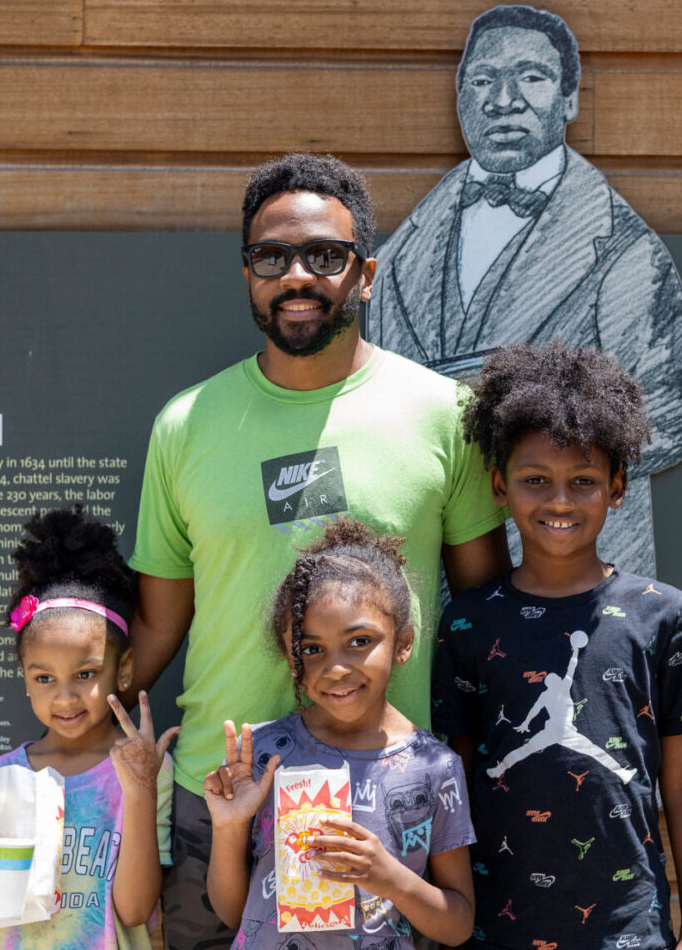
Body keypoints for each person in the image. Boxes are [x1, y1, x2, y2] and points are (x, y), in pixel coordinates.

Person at [128, 153, 508, 949]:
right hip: (222, 794)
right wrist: (69, 710)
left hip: (393, 796)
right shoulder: (184, 425)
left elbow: (483, 613)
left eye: (324, 256)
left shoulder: (444, 417)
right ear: (247, 275)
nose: (297, 274)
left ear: (364, 274)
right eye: (273, 257)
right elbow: (157, 629)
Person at [366, 4, 682, 578]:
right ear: (460, 98)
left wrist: (541, 468)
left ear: (569, 99)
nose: (503, 100)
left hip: (571, 590)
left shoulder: (624, 247)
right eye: (481, 80)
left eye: (530, 76)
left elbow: (675, 416)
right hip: (429, 581)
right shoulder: (402, 250)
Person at [433, 343, 682, 950]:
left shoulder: (662, 614)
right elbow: (455, 781)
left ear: (618, 487)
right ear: (499, 485)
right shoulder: (467, 623)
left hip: (628, 924)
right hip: (498, 927)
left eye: (585, 481)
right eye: (535, 480)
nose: (560, 501)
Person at [203, 518, 475, 949]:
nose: (336, 668)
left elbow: (458, 924)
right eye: (312, 649)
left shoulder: (435, 768)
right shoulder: (264, 755)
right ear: (292, 659)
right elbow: (232, 912)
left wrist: (390, 879)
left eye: (359, 641)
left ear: (403, 643)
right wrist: (230, 827)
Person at [0, 503, 176, 949]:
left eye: (85, 674)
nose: (64, 697)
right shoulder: (7, 775)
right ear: (25, 678)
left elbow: (137, 912)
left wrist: (139, 791)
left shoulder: (142, 767)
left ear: (123, 669)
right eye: (44, 678)